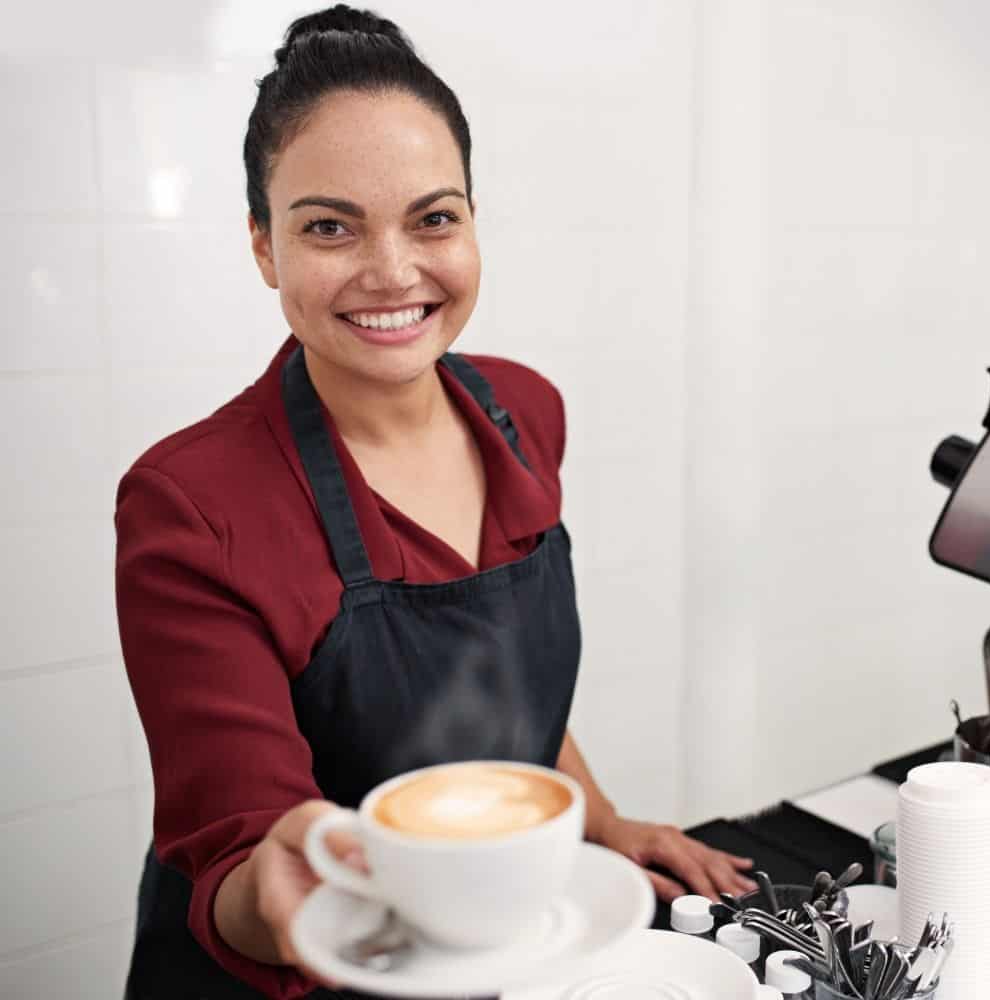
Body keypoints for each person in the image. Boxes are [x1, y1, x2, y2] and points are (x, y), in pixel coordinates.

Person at [115, 7, 755, 996]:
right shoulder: (193, 503)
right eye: (329, 226)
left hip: (481, 949)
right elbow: (240, 854)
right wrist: (283, 888)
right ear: (261, 246)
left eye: (433, 217)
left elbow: (499, 700)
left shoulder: (524, 414)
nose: (392, 271)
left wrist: (602, 820)